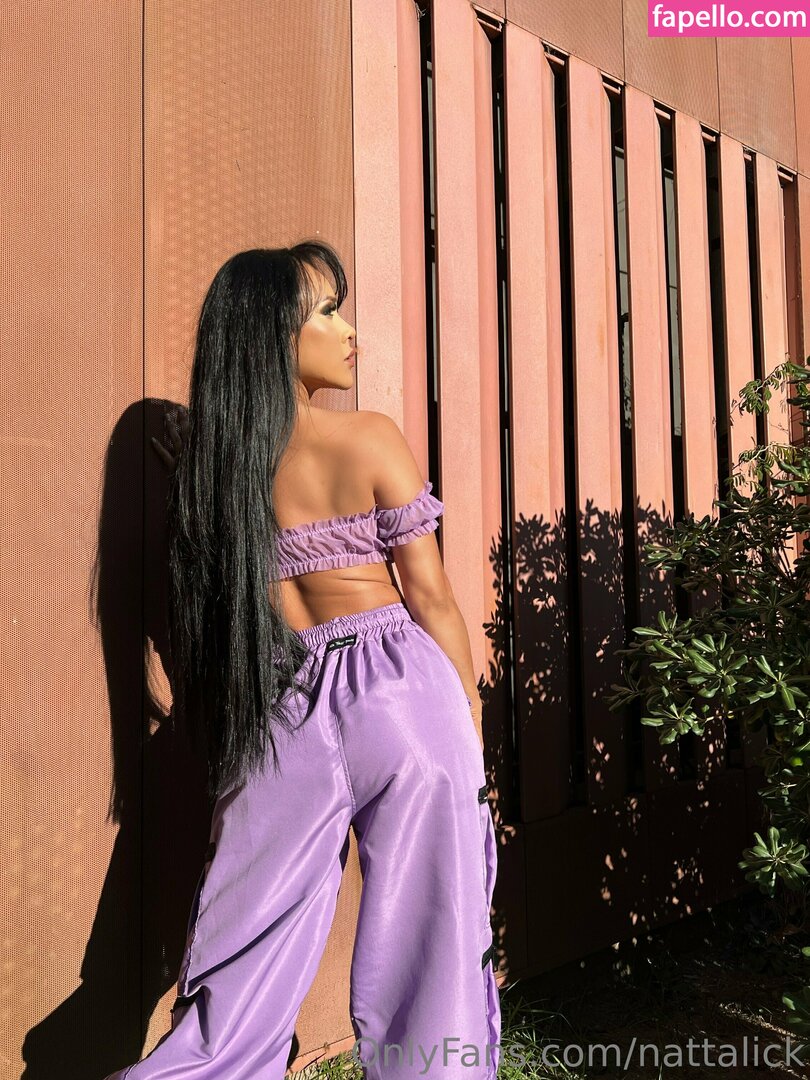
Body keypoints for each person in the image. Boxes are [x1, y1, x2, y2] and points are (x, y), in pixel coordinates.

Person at [104, 242, 500, 1079]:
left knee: (244, 960)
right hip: (401, 689)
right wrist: (467, 718)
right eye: (325, 311)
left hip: (280, 706)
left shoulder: (212, 474)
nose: (349, 330)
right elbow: (430, 597)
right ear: (270, 334)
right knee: (434, 936)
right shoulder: (368, 437)